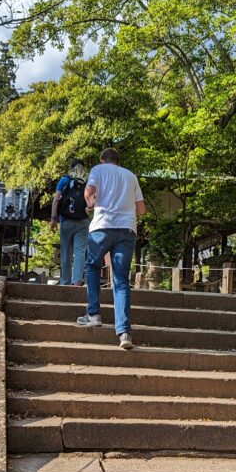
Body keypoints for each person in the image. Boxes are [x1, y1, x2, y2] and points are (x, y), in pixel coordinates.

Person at [75, 148, 145, 350]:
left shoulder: (98, 170)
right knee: (121, 281)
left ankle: (94, 314)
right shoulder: (131, 176)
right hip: (126, 229)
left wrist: (90, 205)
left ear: (102, 160)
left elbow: (89, 193)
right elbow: (141, 209)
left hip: (102, 227)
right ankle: (124, 333)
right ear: (118, 161)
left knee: (92, 267)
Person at [50, 159, 90, 286]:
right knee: (80, 252)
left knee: (66, 252)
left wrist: (53, 219)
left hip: (66, 220)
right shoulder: (88, 181)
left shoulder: (65, 180)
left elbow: (56, 200)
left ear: (71, 168)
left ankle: (65, 282)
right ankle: (76, 281)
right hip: (83, 221)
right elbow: (93, 202)